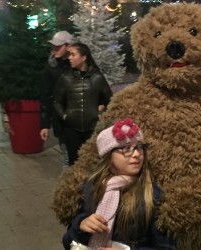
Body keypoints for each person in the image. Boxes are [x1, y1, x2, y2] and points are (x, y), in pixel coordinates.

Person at [62, 118, 176, 249]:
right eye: (126, 148)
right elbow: (67, 241)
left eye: (140, 147)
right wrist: (80, 226)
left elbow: (166, 247)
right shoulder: (91, 188)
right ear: (109, 156)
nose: (137, 154)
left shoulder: (152, 196)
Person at [54, 43, 112, 166]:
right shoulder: (65, 77)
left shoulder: (97, 77)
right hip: (72, 129)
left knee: (94, 164)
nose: (69, 58)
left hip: (92, 128)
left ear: (84, 57)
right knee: (74, 164)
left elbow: (110, 99)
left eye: (73, 54)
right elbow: (57, 101)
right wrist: (64, 116)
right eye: (69, 54)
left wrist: (101, 110)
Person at [40, 31, 75, 170]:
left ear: (68, 46)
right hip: (62, 121)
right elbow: (46, 96)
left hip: (81, 120)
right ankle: (69, 190)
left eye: (58, 46)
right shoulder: (51, 69)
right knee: (67, 158)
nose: (54, 49)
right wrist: (44, 124)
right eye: (53, 46)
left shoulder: (77, 65)